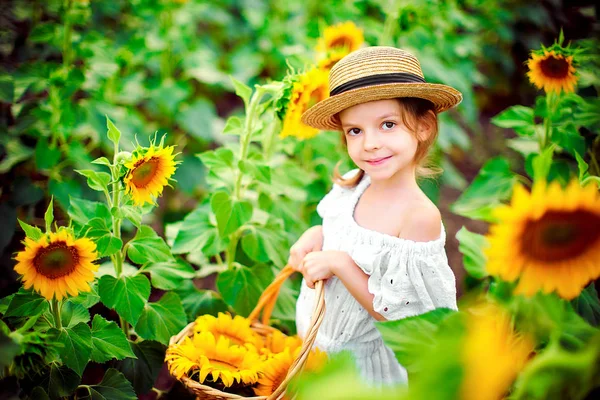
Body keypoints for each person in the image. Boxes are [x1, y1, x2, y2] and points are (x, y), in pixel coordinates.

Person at [288, 46, 460, 386]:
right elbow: (339, 230)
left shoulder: (418, 217)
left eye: (388, 124)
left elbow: (400, 314)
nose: (370, 143)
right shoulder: (355, 185)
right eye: (355, 131)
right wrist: (316, 236)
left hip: (362, 372)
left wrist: (338, 263)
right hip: (317, 347)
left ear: (423, 127)